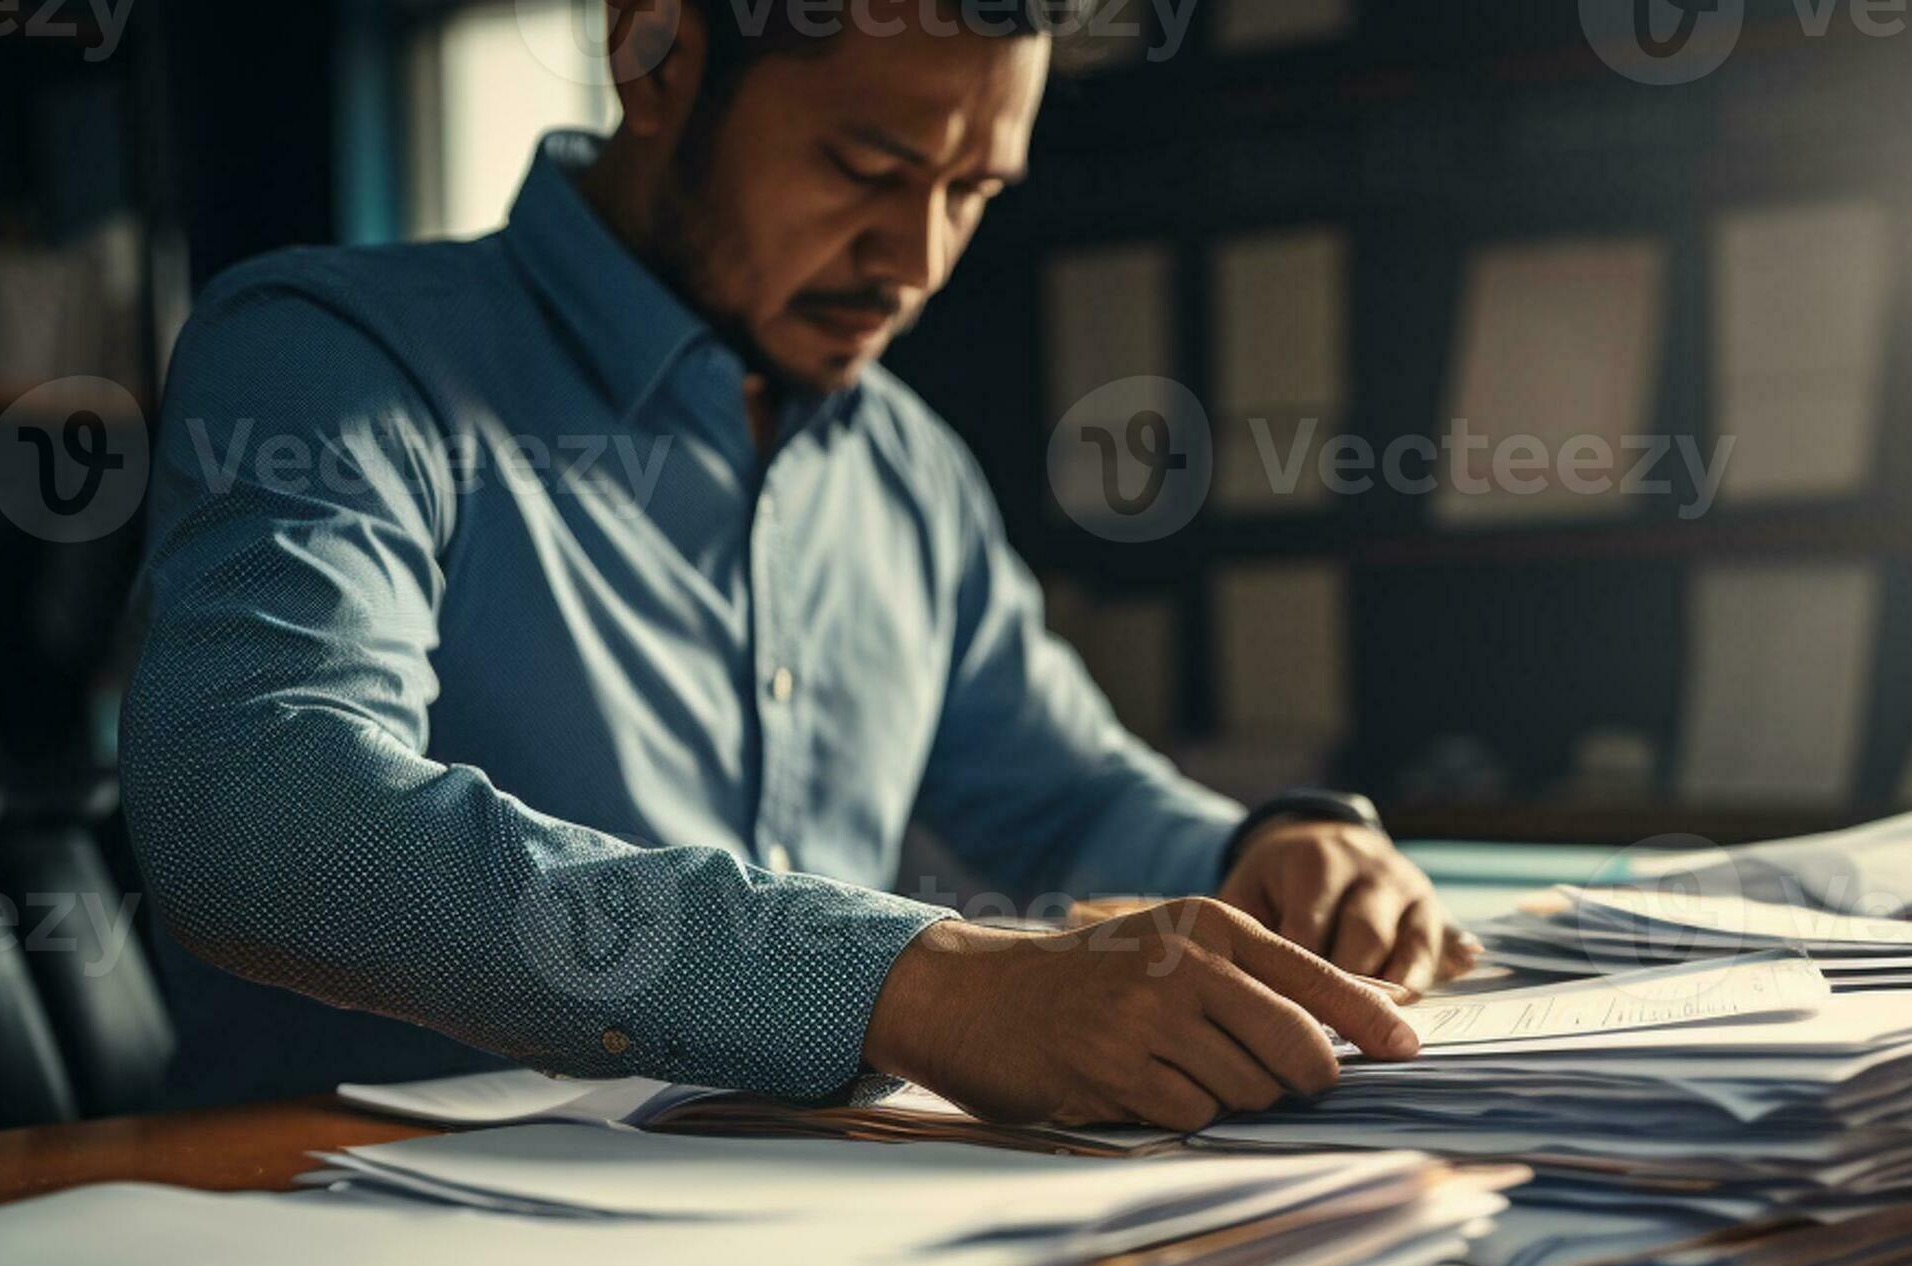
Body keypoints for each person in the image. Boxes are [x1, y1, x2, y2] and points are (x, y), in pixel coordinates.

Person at [123, 0, 1476, 1132]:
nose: (920, 258)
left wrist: (1272, 850)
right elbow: (261, 815)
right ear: (656, 58)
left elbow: (1060, 800)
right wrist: (911, 985)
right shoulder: (334, 358)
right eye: (867, 171)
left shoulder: (905, 464)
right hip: (350, 1262)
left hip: (819, 1248)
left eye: (973, 193)